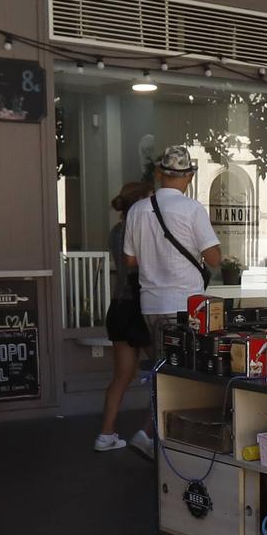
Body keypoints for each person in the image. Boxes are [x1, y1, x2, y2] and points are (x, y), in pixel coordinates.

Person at [122, 145, 221, 458]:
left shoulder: (138, 209)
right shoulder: (192, 209)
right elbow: (214, 258)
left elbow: (129, 260)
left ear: (160, 174)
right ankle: (161, 438)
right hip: (186, 306)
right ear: (189, 176)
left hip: (150, 304)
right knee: (184, 375)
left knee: (163, 370)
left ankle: (154, 434)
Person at [95, 180, 153, 451]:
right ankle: (148, 433)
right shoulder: (143, 229)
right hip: (142, 307)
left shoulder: (116, 230)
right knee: (167, 372)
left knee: (121, 376)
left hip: (118, 306)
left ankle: (106, 435)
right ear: (142, 201)